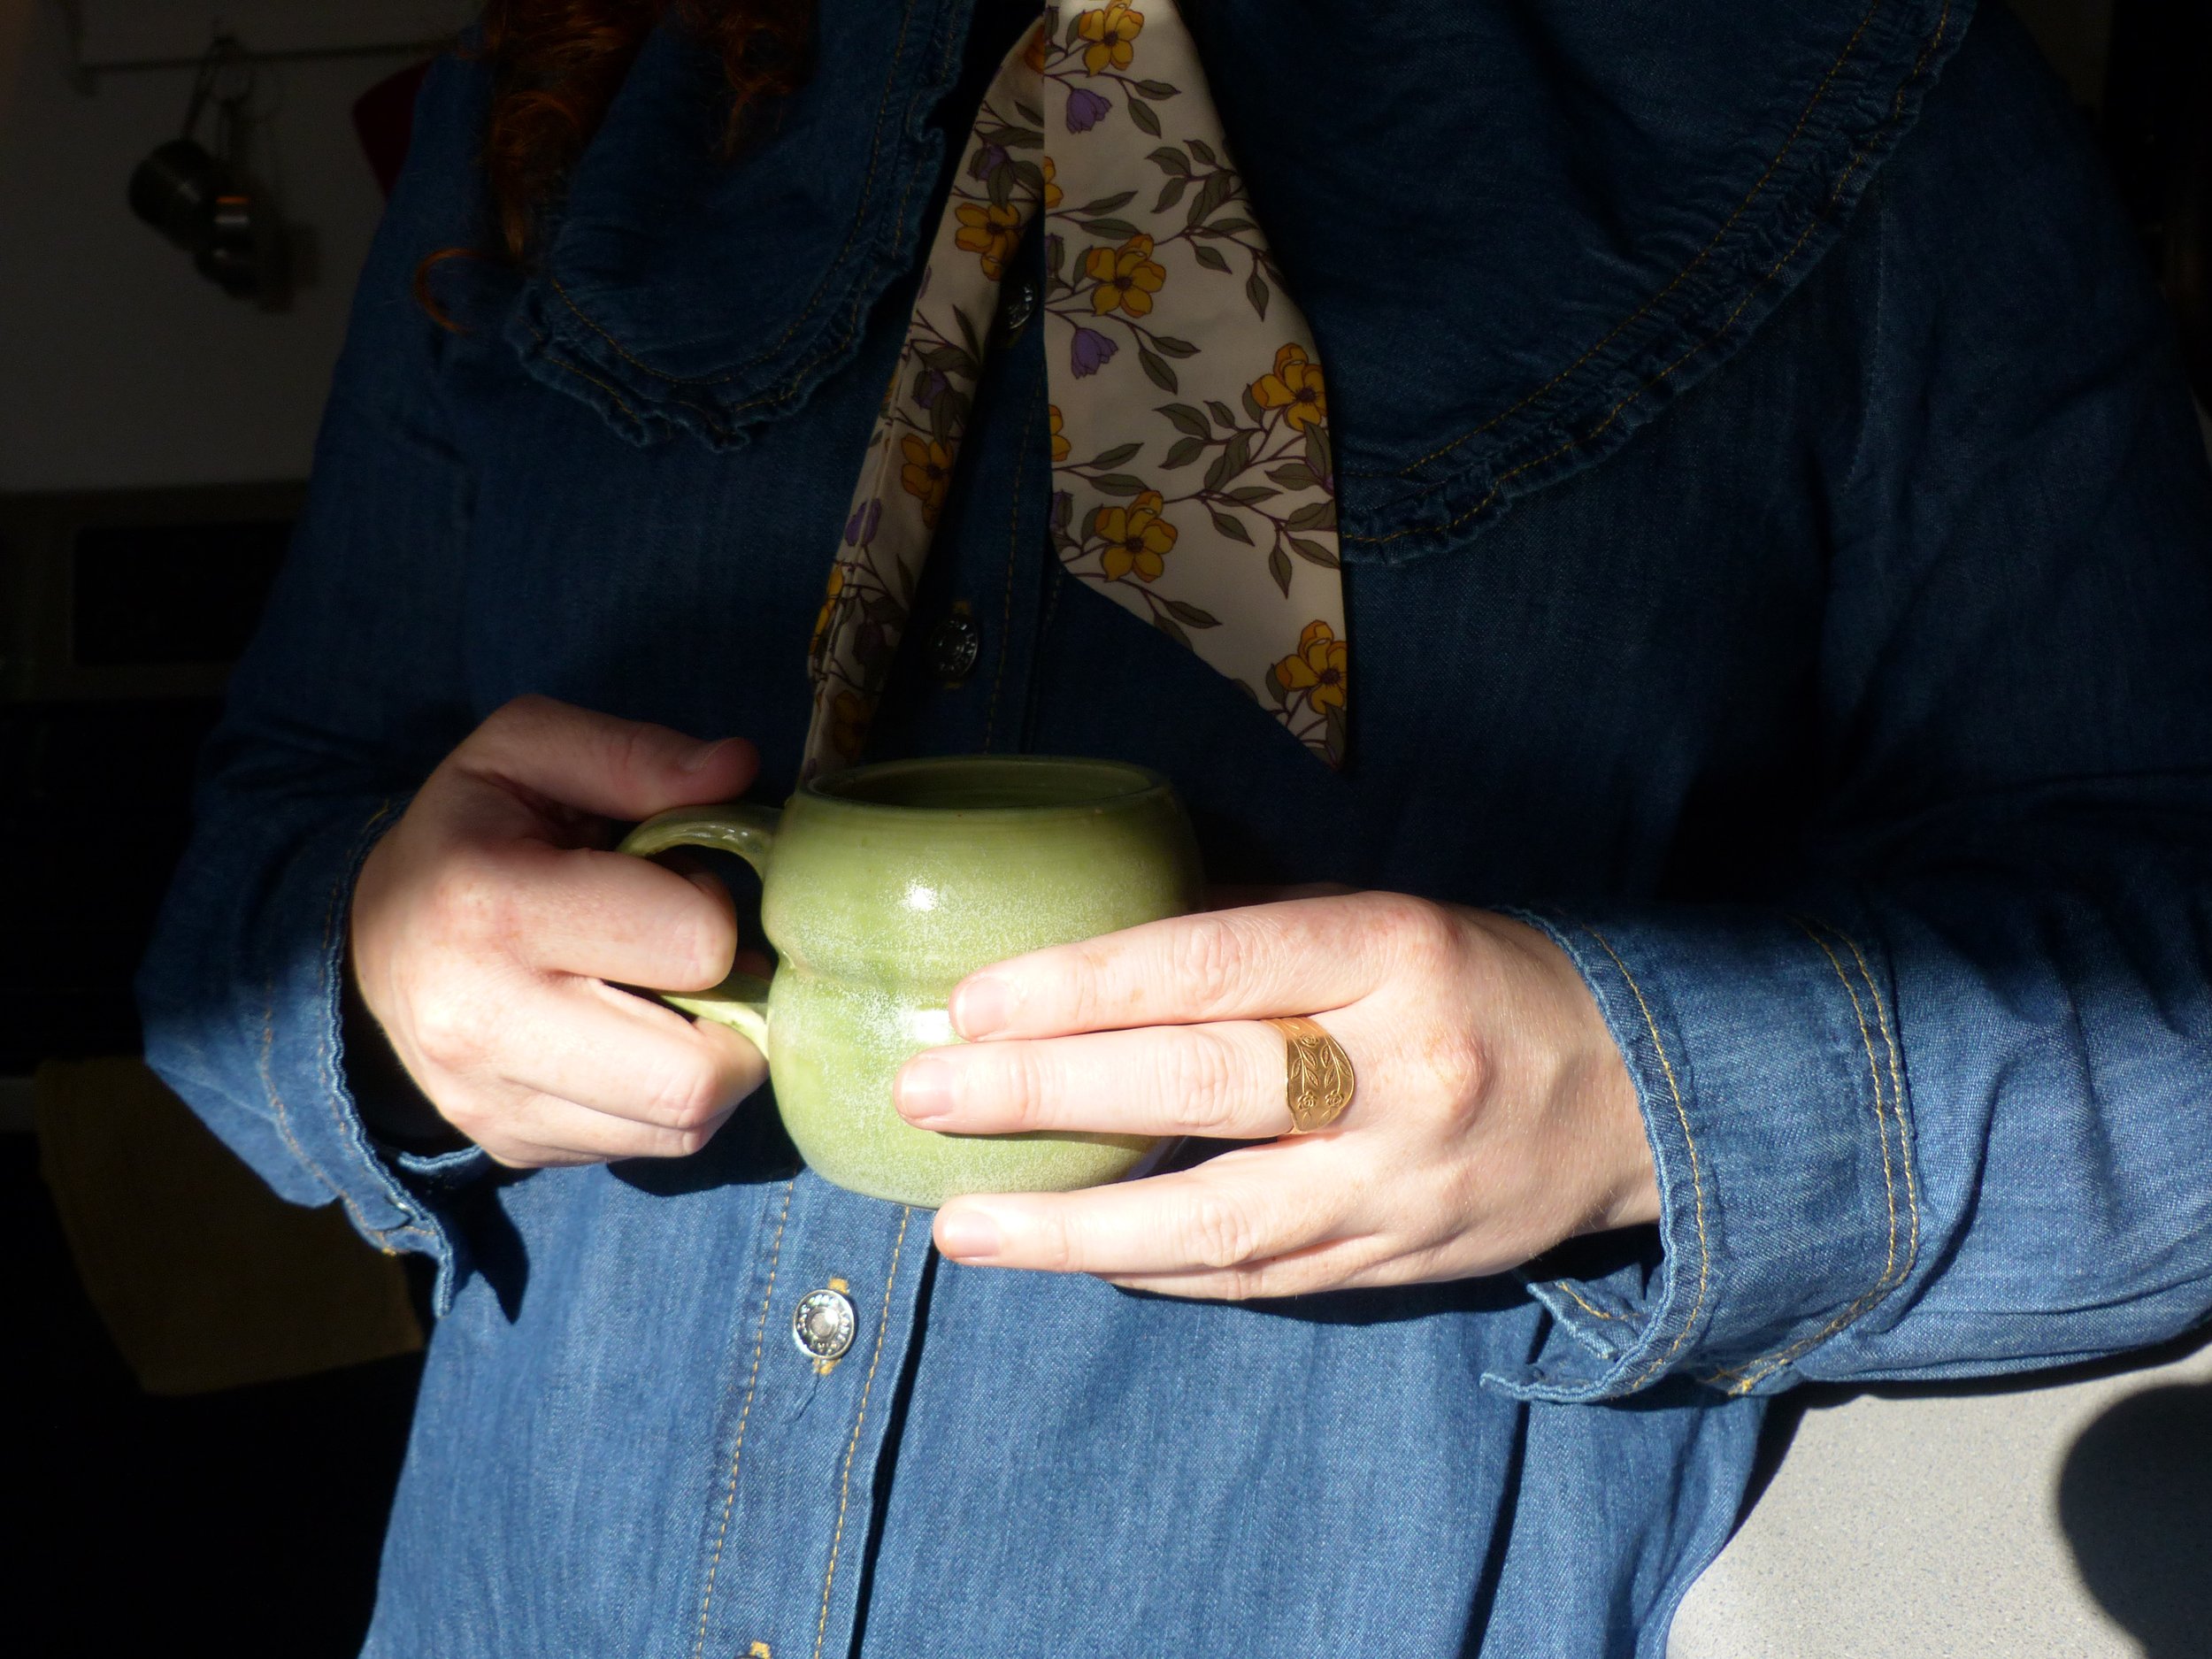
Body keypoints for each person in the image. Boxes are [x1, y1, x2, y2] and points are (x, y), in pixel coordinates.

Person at [138, 1, 2212, 1653]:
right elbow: (252, 871)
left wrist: (1626, 1096)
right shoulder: (574, 84)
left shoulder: (1862, 91)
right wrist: (378, 962)